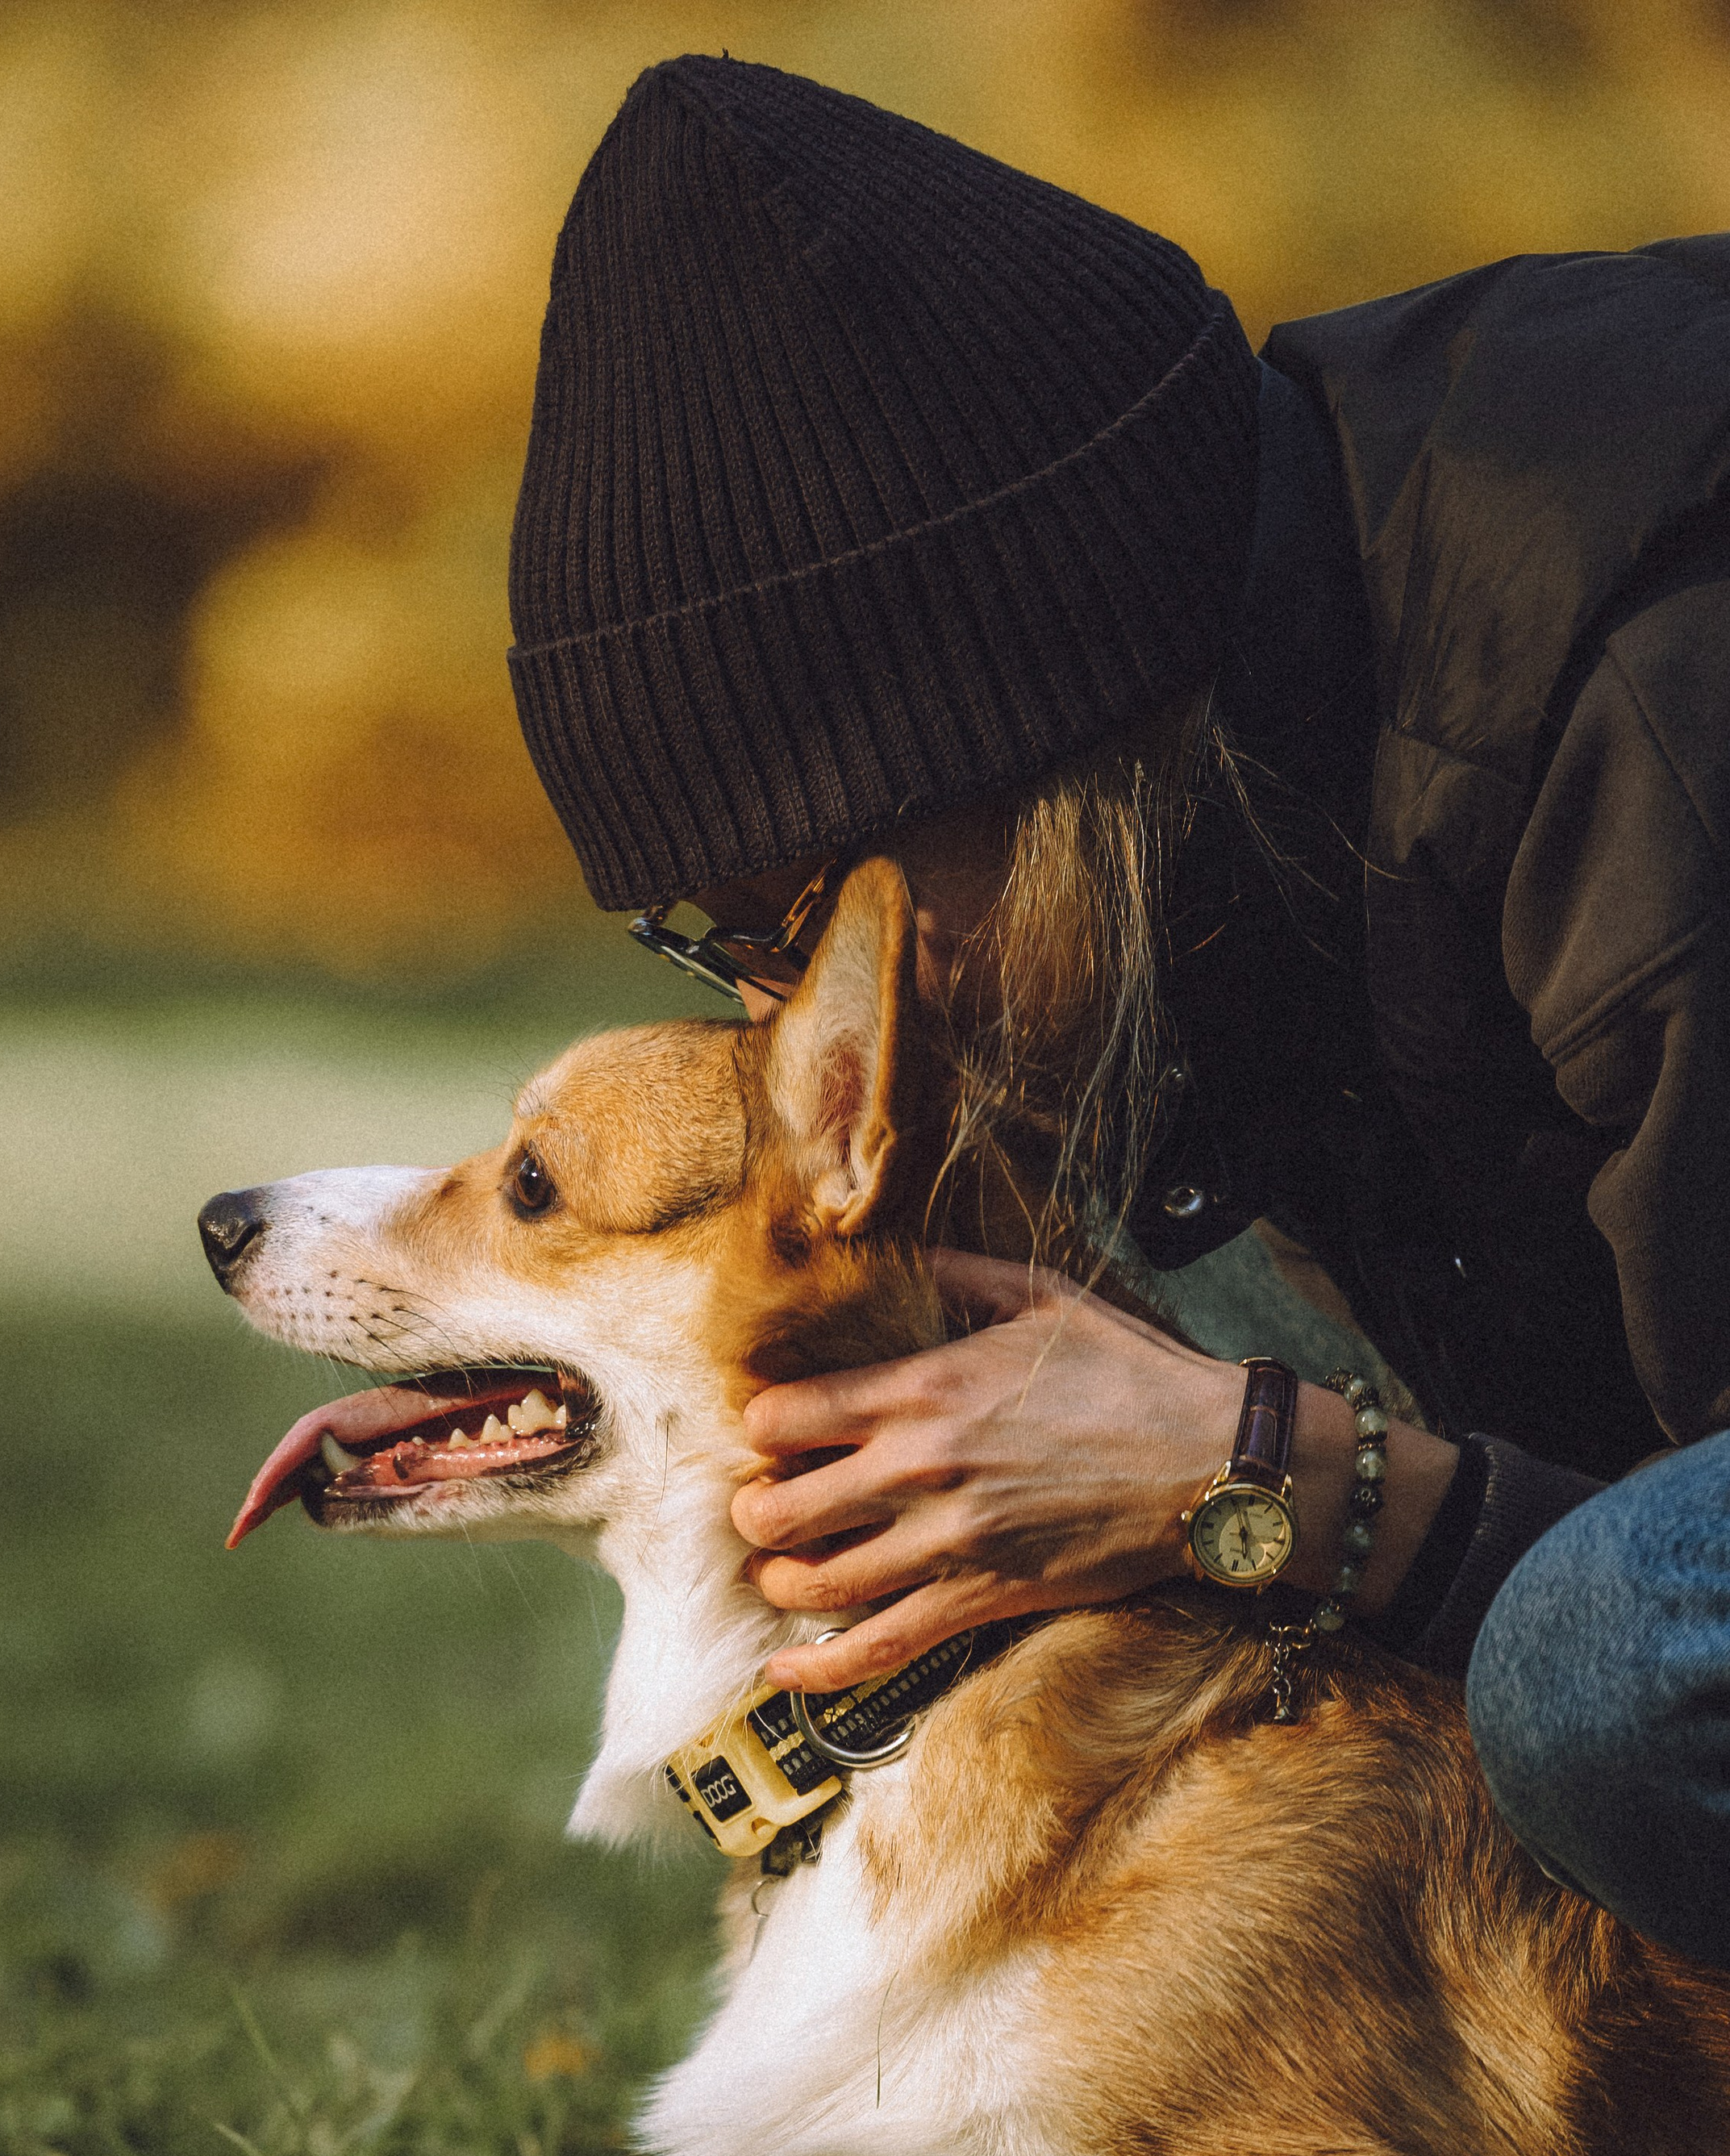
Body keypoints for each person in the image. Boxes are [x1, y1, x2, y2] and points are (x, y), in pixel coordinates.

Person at [503, 55, 1730, 1969]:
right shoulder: (1242, 786)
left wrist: (1290, 1491)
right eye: (722, 940)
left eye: (800, 917)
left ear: (1035, 719)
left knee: (1622, 1664)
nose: (787, 1016)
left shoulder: (1655, 693)